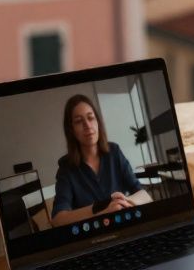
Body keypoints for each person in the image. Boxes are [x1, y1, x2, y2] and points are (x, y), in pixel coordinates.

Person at [51, 93, 142, 226]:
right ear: (71, 130)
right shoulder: (66, 168)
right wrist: (101, 211)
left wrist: (122, 202)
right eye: (78, 121)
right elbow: (58, 219)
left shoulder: (114, 151)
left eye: (91, 118)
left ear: (98, 122)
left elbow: (143, 194)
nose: (87, 125)